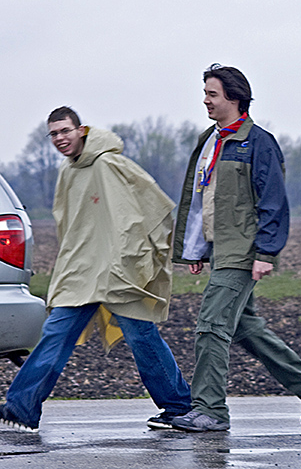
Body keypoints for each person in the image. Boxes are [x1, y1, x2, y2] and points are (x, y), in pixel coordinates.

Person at [0, 107, 191, 432]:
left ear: (81, 130)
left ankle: (178, 407)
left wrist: (134, 258)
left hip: (119, 273)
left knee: (142, 337)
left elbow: (152, 205)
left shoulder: (109, 163)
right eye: (54, 134)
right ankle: (22, 408)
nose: (60, 139)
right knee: (55, 337)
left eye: (65, 131)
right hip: (84, 273)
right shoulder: (68, 171)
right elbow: (73, 226)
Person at [170, 63, 301, 432]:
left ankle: (210, 410)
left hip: (243, 251)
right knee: (244, 327)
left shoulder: (259, 142)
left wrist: (265, 253)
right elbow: (202, 199)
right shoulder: (209, 141)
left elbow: (273, 201)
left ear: (235, 97)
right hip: (220, 249)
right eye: (205, 94)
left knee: (211, 325)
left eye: (212, 94)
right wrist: (196, 248)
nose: (206, 101)